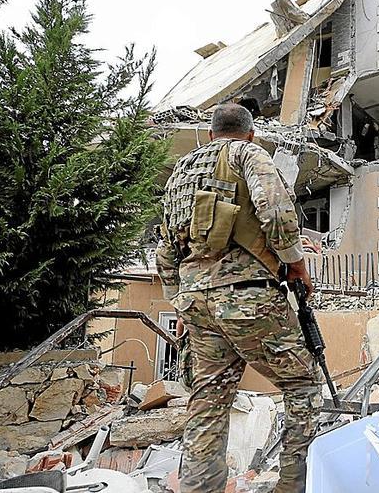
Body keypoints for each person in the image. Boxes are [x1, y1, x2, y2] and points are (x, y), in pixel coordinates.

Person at [155, 104, 322, 491]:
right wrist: (295, 262)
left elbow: (165, 246)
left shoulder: (181, 172)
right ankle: (293, 486)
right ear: (250, 133)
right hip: (246, 297)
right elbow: (276, 211)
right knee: (301, 384)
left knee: (209, 398)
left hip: (195, 301)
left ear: (211, 134)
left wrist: (175, 299)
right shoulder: (248, 153)